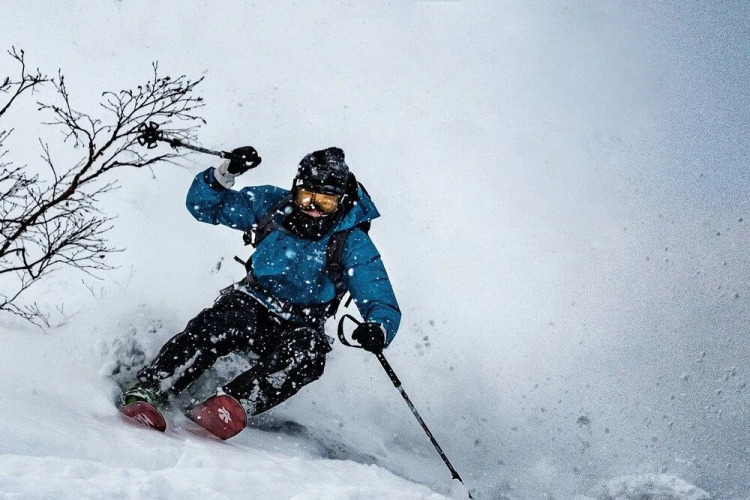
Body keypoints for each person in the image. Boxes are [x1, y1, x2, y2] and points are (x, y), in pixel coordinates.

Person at [121, 146, 401, 425]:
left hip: (302, 324)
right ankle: (154, 386)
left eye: (325, 202)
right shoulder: (272, 205)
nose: (314, 210)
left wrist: (378, 328)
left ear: (340, 201)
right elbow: (203, 207)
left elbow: (379, 298)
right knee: (221, 323)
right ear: (296, 190)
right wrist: (224, 174)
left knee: (309, 356)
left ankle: (230, 406)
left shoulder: (352, 242)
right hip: (252, 301)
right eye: (307, 198)